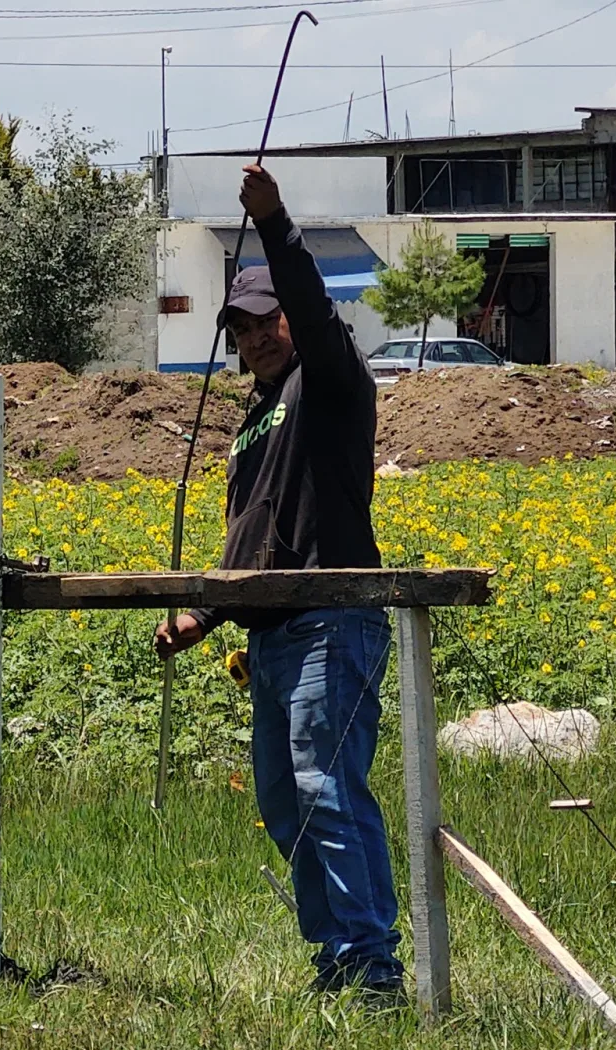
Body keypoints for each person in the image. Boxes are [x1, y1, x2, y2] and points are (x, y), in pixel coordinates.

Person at [154, 164, 402, 1002]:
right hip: (272, 634)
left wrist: (275, 223)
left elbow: (309, 299)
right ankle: (333, 965)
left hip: (333, 622)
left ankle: (374, 971)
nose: (256, 338)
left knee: (327, 790)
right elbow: (256, 536)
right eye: (241, 329)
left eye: (266, 322)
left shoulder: (329, 383)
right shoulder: (254, 419)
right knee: (286, 804)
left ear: (294, 322)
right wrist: (205, 613)